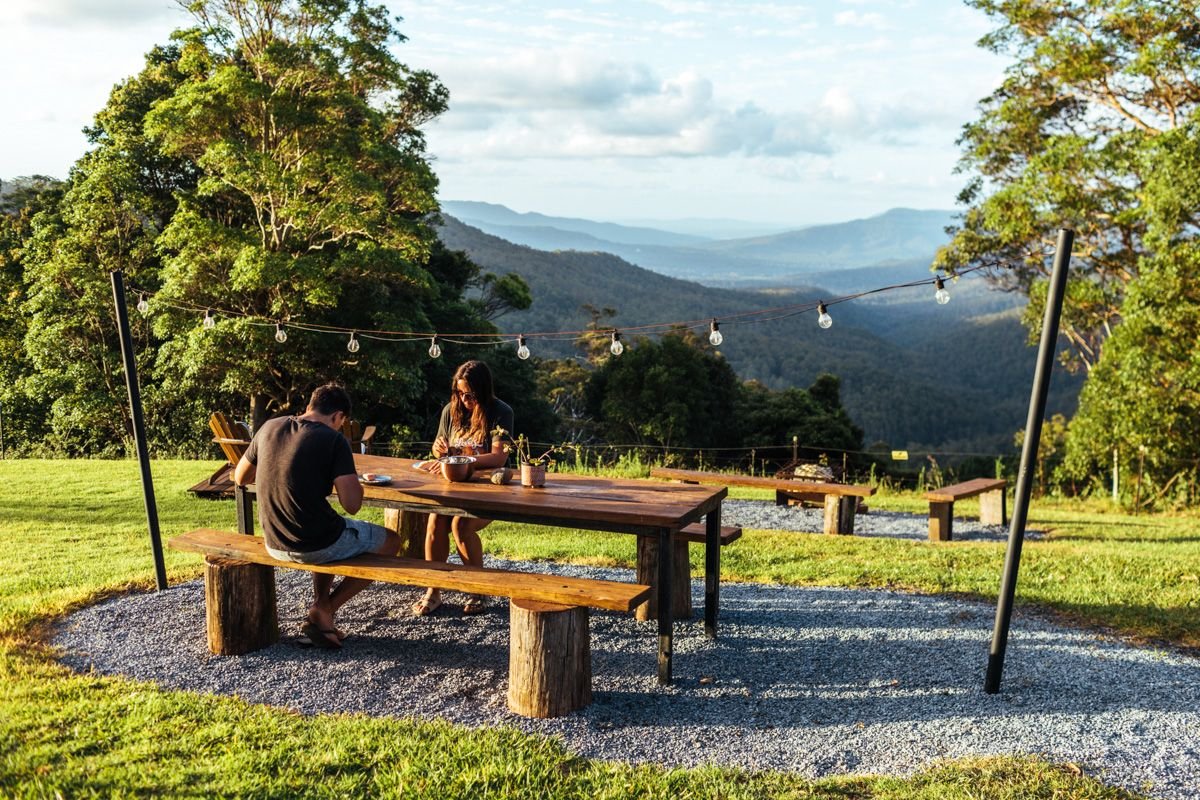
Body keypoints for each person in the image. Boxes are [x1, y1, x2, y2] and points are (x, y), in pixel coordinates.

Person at [233, 383, 399, 648]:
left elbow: (240, 477)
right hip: (311, 543)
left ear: (310, 406)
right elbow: (352, 504)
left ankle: (321, 608)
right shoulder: (334, 440)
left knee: (330, 524)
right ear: (338, 417)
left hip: (274, 541)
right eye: (341, 422)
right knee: (391, 541)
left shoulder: (269, 427)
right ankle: (327, 608)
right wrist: (354, 480)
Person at [412, 360, 514, 616]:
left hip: (490, 488)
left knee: (462, 524)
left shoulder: (500, 412)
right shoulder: (451, 410)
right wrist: (439, 451)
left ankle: (476, 590)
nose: (464, 399)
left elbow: (499, 457)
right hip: (454, 484)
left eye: (470, 394)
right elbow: (439, 444)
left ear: (483, 390)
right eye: (459, 393)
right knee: (435, 521)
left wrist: (463, 461)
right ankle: (433, 590)